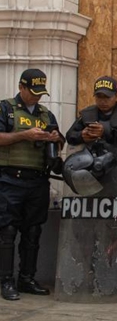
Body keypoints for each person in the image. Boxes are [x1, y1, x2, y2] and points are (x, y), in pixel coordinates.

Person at [0, 69, 64, 300]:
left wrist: (55, 138)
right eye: (33, 92)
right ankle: (6, 281)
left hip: (37, 180)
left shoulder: (46, 115)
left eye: (40, 93)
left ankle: (27, 278)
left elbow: (59, 143)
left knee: (33, 232)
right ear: (21, 87)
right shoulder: (6, 109)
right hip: (9, 179)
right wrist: (24, 135)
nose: (37, 97)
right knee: (7, 232)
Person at [65, 76, 117, 169]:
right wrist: (82, 136)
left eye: (107, 97)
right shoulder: (88, 114)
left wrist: (106, 132)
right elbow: (70, 135)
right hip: (93, 166)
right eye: (99, 97)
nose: (103, 101)